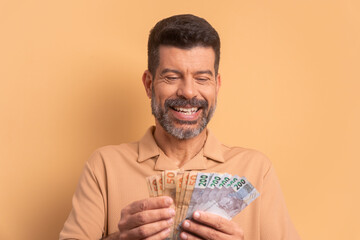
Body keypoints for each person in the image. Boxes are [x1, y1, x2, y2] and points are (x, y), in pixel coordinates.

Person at [60, 14, 300, 240]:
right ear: (149, 83)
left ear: (216, 86)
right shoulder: (103, 167)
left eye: (202, 78)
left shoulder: (257, 170)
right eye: (172, 77)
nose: (188, 91)